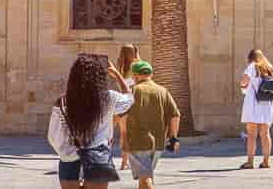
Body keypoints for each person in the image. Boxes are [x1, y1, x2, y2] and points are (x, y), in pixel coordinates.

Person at [46, 53, 134, 188]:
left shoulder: (63, 102)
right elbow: (129, 100)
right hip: (98, 157)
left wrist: (68, 152)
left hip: (69, 160)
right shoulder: (109, 98)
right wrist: (117, 75)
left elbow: (53, 136)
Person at [120, 61, 179, 189]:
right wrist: (173, 137)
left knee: (145, 178)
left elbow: (123, 116)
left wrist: (123, 137)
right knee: (145, 178)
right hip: (158, 143)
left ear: (135, 75)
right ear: (151, 74)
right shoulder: (163, 91)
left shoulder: (133, 91)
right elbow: (175, 115)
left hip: (137, 141)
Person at [238, 49, 273, 170]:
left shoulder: (252, 66)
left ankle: (250, 162)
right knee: (265, 134)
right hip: (267, 104)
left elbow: (244, 81)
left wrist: (243, 85)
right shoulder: (271, 69)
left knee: (252, 134)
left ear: (250, 58)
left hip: (253, 104)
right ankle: (266, 162)